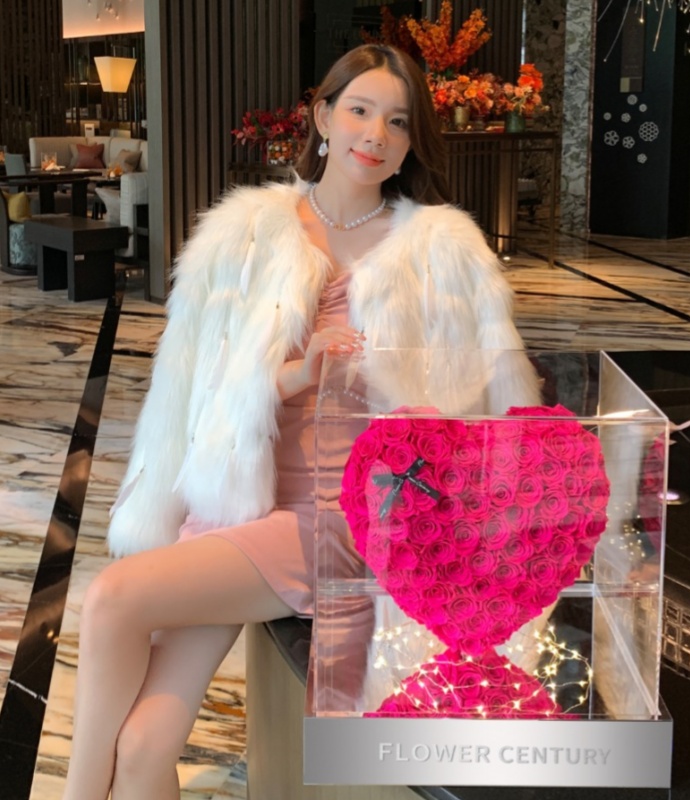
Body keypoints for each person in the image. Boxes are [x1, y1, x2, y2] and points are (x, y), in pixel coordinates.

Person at [63, 44, 540, 799]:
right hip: (236, 499)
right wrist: (302, 371)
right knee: (146, 743)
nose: (375, 135)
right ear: (322, 116)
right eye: (359, 111)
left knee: (112, 599)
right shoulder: (246, 232)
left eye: (397, 122)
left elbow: (481, 409)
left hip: (339, 517)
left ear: (412, 142)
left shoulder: (443, 250)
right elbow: (205, 387)